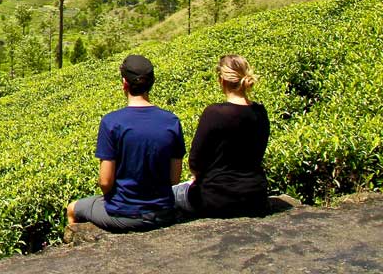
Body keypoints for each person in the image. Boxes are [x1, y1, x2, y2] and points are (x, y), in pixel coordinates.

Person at [67, 54, 185, 232]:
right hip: (163, 212)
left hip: (123, 214)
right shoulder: (171, 121)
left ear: (124, 83)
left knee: (73, 209)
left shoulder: (112, 122)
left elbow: (105, 182)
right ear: (152, 83)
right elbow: (174, 179)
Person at [174, 54, 270, 218]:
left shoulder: (214, 113)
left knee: (170, 194)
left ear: (222, 80)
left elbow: (195, 161)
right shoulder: (260, 112)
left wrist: (197, 177)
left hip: (216, 198)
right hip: (255, 196)